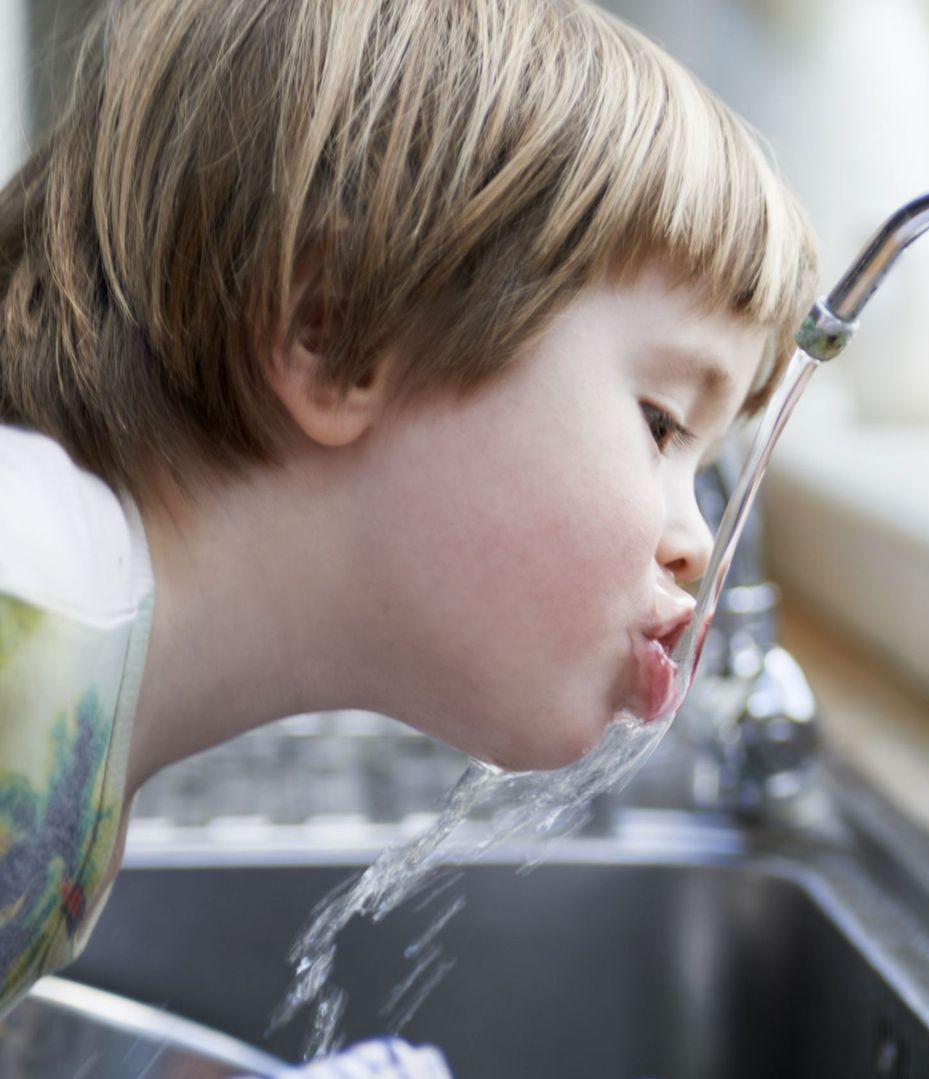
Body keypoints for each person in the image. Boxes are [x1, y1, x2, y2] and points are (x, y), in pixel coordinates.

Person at [0, 0, 817, 1023]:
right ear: (332, 333)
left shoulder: (80, 691)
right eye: (660, 424)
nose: (697, 540)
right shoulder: (31, 600)